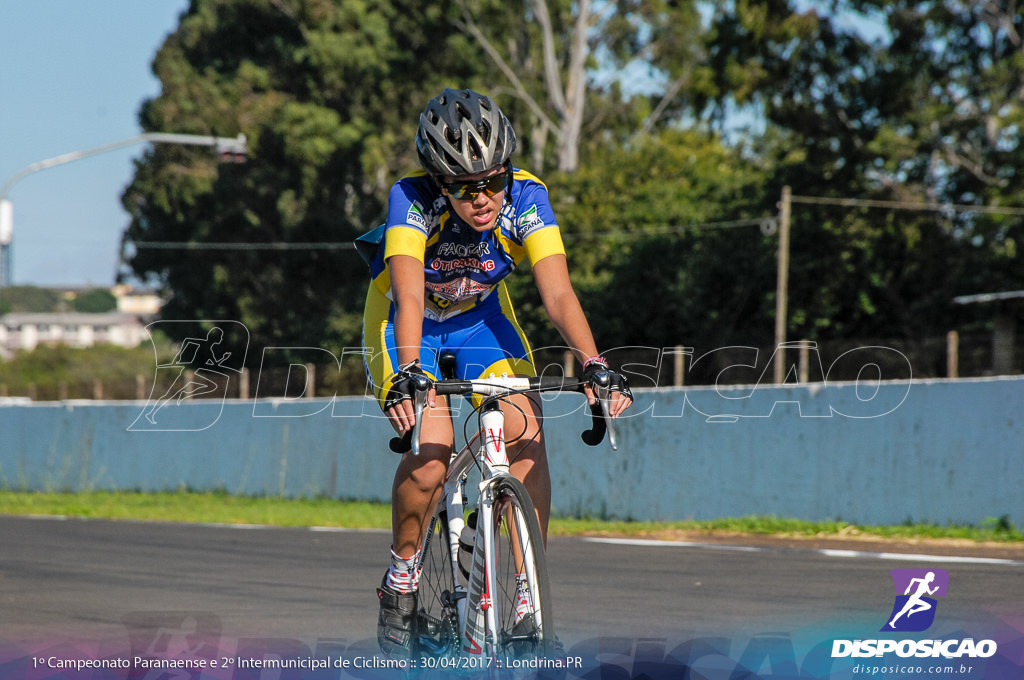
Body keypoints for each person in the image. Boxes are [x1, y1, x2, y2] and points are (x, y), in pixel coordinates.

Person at [360, 87, 633, 656]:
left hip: (482, 320)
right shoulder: (409, 199)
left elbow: (557, 293)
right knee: (431, 451)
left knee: (525, 431)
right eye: (464, 187)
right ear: (440, 184)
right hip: (410, 325)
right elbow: (408, 299)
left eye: (493, 179)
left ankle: (529, 587)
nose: (482, 197)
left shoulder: (529, 196)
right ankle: (404, 574)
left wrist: (595, 363)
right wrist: (408, 371)